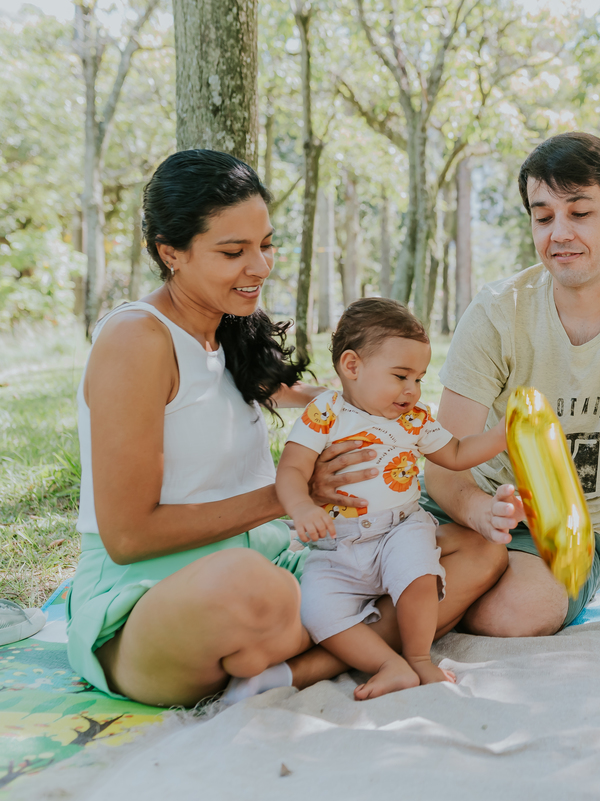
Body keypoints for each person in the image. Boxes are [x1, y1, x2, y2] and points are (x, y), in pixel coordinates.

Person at [67, 150, 507, 708]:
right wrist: (293, 493)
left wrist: (381, 399)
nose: (260, 266)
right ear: (169, 252)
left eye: (265, 244)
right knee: (255, 590)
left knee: (476, 552)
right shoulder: (136, 341)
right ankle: (310, 647)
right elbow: (127, 539)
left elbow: (327, 398)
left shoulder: (228, 329)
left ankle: (284, 671)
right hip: (153, 598)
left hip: (273, 559)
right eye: (234, 251)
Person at [423, 131, 600, 636]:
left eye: (579, 213)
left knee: (522, 612)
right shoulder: (497, 312)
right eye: (543, 217)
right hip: (466, 508)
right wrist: (481, 515)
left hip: (566, 535)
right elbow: (443, 465)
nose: (559, 233)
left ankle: (420, 602)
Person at [276, 298, 506, 699]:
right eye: (401, 376)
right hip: (337, 542)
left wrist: (502, 434)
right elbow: (292, 470)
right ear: (352, 367)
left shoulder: (413, 420)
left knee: (419, 575)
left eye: (418, 378)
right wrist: (301, 507)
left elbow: (455, 454)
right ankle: (388, 665)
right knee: (317, 610)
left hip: (399, 527)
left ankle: (418, 658)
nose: (413, 390)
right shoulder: (324, 412)